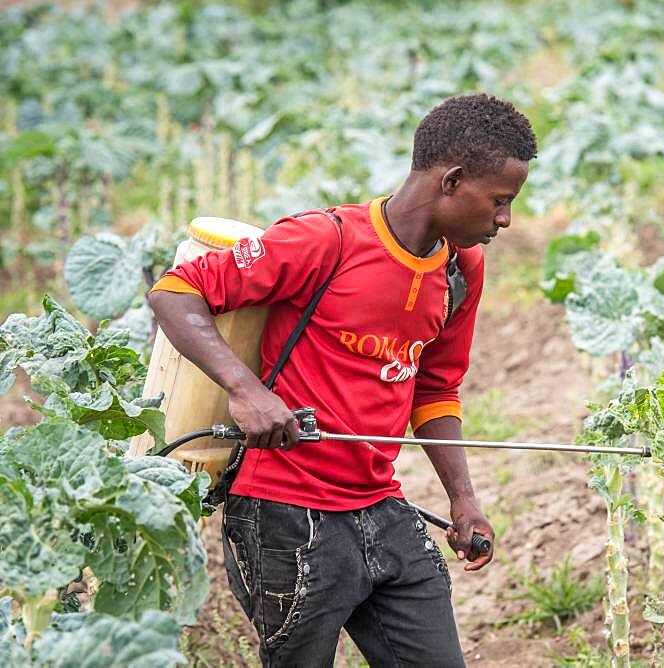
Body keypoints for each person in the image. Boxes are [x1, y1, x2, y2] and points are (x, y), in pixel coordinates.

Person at [148, 93, 537, 667]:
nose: (504, 219)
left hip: (379, 504)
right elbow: (175, 292)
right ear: (452, 181)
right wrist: (246, 391)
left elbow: (435, 391)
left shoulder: (460, 269)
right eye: (499, 201)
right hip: (283, 513)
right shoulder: (324, 240)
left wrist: (463, 499)